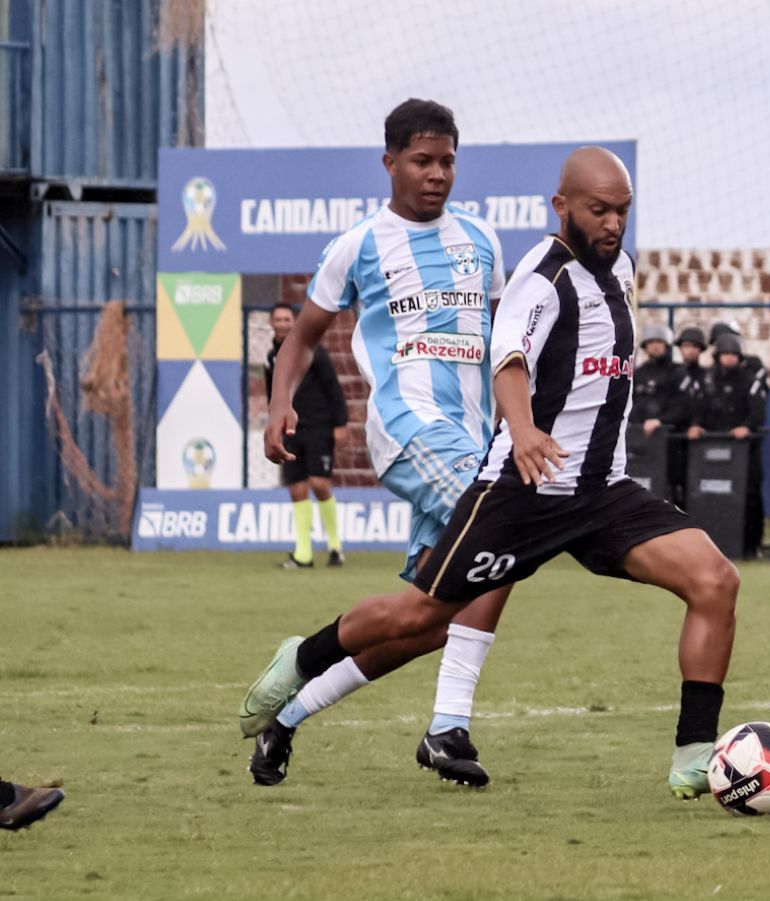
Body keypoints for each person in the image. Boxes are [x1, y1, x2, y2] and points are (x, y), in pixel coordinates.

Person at [240, 146, 740, 802]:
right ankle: (305, 661)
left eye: (622, 210)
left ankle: (696, 753)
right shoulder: (541, 276)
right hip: (520, 492)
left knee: (716, 580)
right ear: (562, 207)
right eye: (599, 210)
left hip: (601, 493)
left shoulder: (622, 271)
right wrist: (525, 428)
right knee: (419, 617)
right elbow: (509, 360)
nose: (613, 223)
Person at [244, 99, 511, 789]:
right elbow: (301, 336)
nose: (437, 174)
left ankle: (292, 704)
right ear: (389, 162)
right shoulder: (359, 244)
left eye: (447, 160)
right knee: (506, 530)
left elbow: (507, 350)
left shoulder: (483, 243)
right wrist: (279, 407)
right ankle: (448, 726)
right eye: (422, 160)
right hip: (409, 427)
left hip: (475, 442)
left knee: (425, 620)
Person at [265, 302, 350, 569]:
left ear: (294, 322)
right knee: (297, 488)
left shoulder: (314, 353)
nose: (282, 323)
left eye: (286, 319)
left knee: (319, 483)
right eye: (277, 319)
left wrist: (340, 424)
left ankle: (335, 547)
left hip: (318, 427)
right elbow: (273, 395)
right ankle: (303, 553)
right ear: (271, 323)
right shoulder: (271, 358)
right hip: (290, 429)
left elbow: (333, 389)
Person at [688, 333, 769, 558]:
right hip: (709, 449)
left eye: (733, 354)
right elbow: (698, 409)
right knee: (708, 493)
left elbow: (758, 414)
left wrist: (747, 427)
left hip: (744, 450)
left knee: (750, 494)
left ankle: (751, 546)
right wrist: (696, 425)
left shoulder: (750, 381)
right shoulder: (707, 379)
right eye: (725, 354)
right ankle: (709, 544)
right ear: (717, 356)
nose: (729, 358)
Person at [630, 324, 691, 437]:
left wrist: (661, 421)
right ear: (645, 346)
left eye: (659, 342)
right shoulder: (639, 373)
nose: (655, 346)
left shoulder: (677, 372)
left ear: (666, 345)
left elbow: (683, 406)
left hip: (670, 433)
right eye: (651, 342)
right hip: (639, 432)